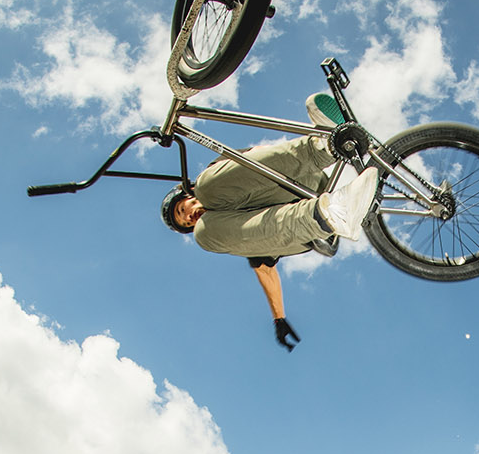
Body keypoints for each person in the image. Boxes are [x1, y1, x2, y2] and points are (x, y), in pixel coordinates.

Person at [161, 98, 380, 353]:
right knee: (205, 234)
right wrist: (279, 318)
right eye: (184, 222)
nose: (187, 217)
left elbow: (257, 154)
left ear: (184, 196)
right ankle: (329, 214)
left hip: (298, 176)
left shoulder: (210, 181)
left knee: (207, 188)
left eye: (181, 210)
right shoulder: (229, 233)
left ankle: (325, 147)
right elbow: (265, 272)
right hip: (306, 221)